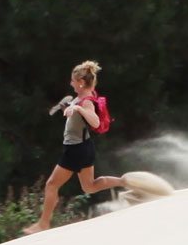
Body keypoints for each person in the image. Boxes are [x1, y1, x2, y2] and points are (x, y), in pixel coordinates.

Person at [23, 60, 124, 235]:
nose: (70, 83)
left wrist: (78, 108)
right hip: (83, 148)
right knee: (89, 187)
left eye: (73, 80)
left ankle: (43, 223)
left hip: (75, 150)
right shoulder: (81, 98)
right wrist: (68, 106)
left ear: (81, 82)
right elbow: (75, 107)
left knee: (51, 185)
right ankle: (125, 181)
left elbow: (95, 121)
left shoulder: (86, 102)